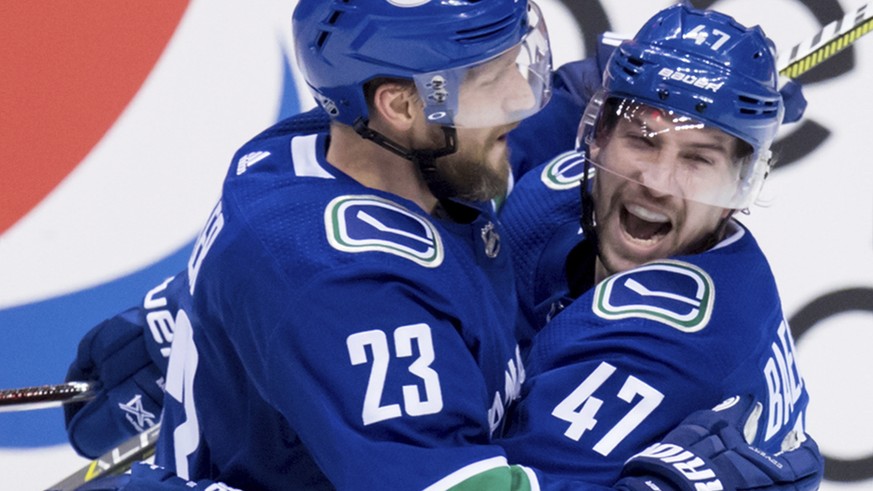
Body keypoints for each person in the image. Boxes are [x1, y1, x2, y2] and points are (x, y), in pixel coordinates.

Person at [61, 1, 822, 490]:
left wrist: (186, 317)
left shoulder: (297, 155)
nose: (523, 101)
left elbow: (561, 105)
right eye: (495, 79)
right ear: (400, 106)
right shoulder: (360, 298)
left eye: (701, 159)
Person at [496, 3, 813, 486]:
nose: (658, 182)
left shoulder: (665, 346)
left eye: (698, 159)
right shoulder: (553, 191)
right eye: (642, 140)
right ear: (597, 136)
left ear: (739, 189)